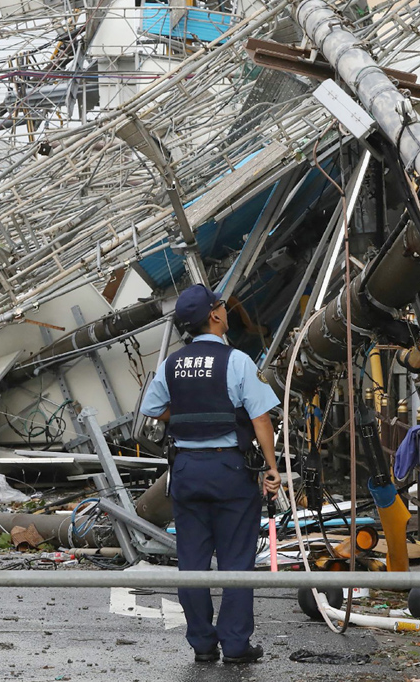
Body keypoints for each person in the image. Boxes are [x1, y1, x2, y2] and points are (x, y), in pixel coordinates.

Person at [139, 283, 281, 665]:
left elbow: (153, 408)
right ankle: (235, 646)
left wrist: (184, 415)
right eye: (221, 306)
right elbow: (261, 417)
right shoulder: (237, 361)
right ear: (215, 315)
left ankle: (202, 644)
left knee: (192, 561)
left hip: (185, 470)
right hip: (229, 469)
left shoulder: (172, 363)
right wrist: (271, 467)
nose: (225, 311)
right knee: (237, 560)